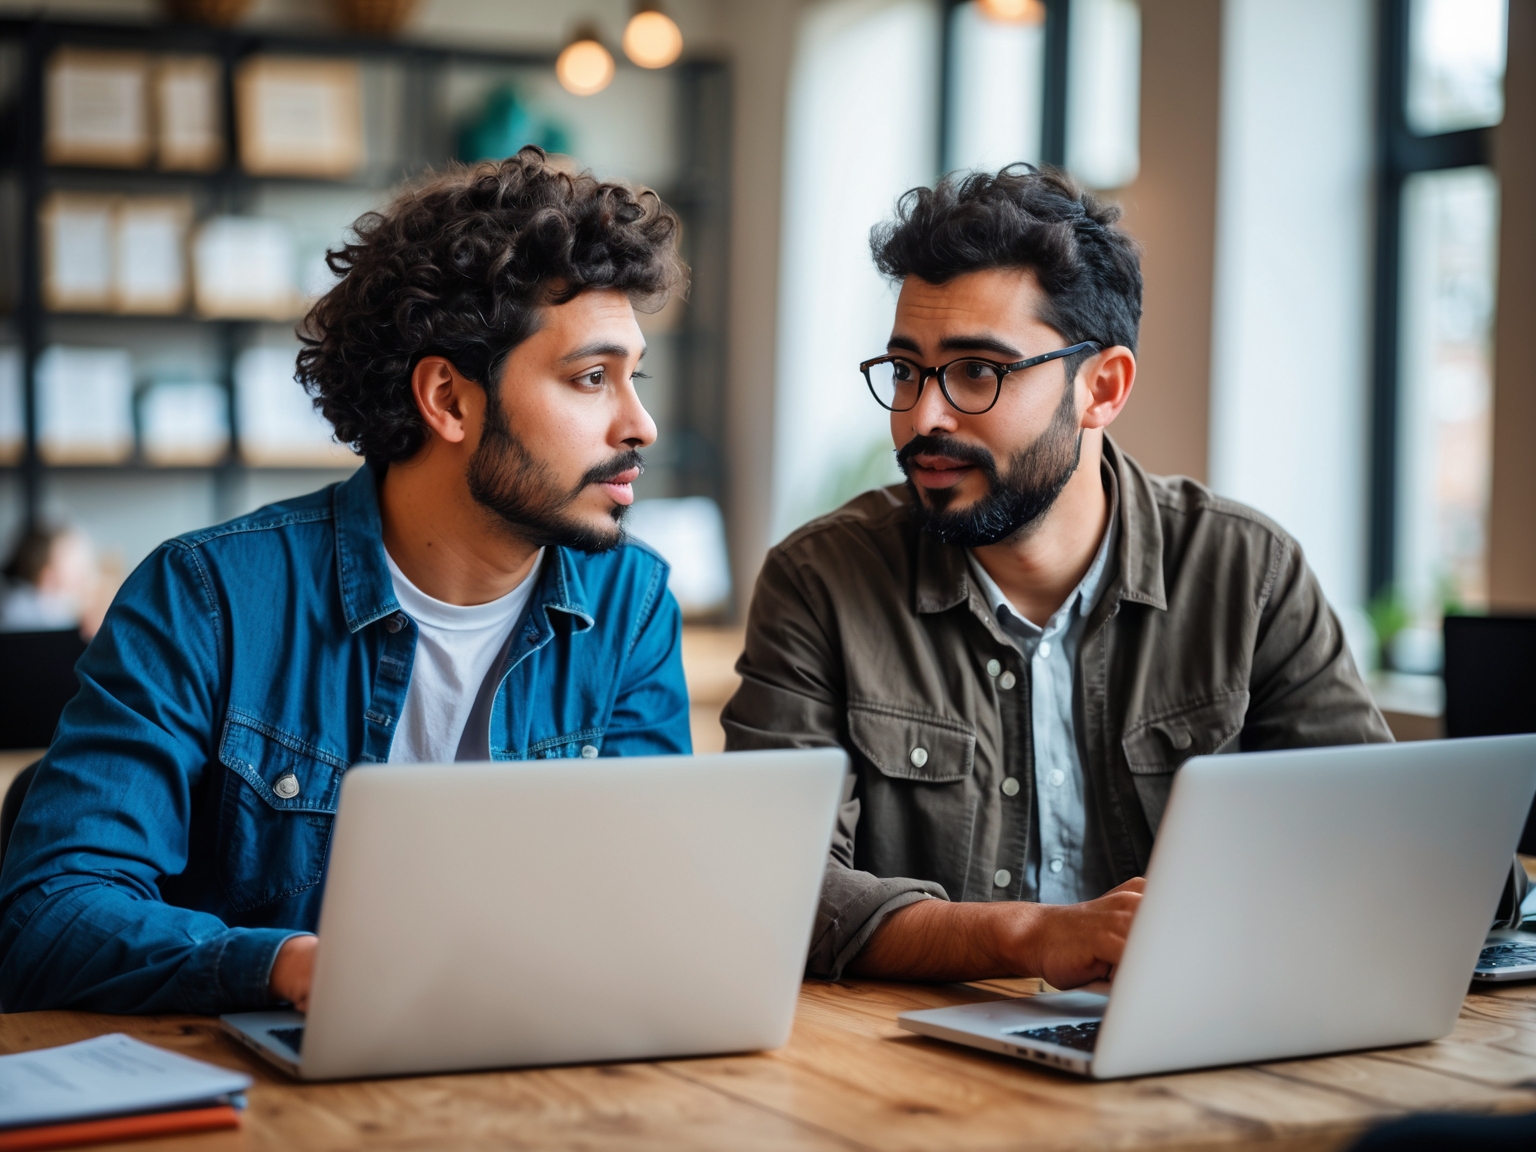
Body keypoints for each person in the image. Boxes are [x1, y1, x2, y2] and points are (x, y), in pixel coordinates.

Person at [0, 149, 692, 1014]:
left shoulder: (631, 606)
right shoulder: (206, 599)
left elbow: (644, 904)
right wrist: (288, 968)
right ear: (448, 399)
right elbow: (50, 914)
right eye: (592, 378)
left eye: (634, 378)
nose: (642, 424)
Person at [722, 165, 1393, 987]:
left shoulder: (1247, 574)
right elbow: (781, 888)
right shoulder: (820, 582)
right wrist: (1032, 936)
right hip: (919, 1055)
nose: (923, 416)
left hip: (1202, 1027)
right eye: (905, 371)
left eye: (977, 371)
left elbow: (1390, 847)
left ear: (1101, 388)